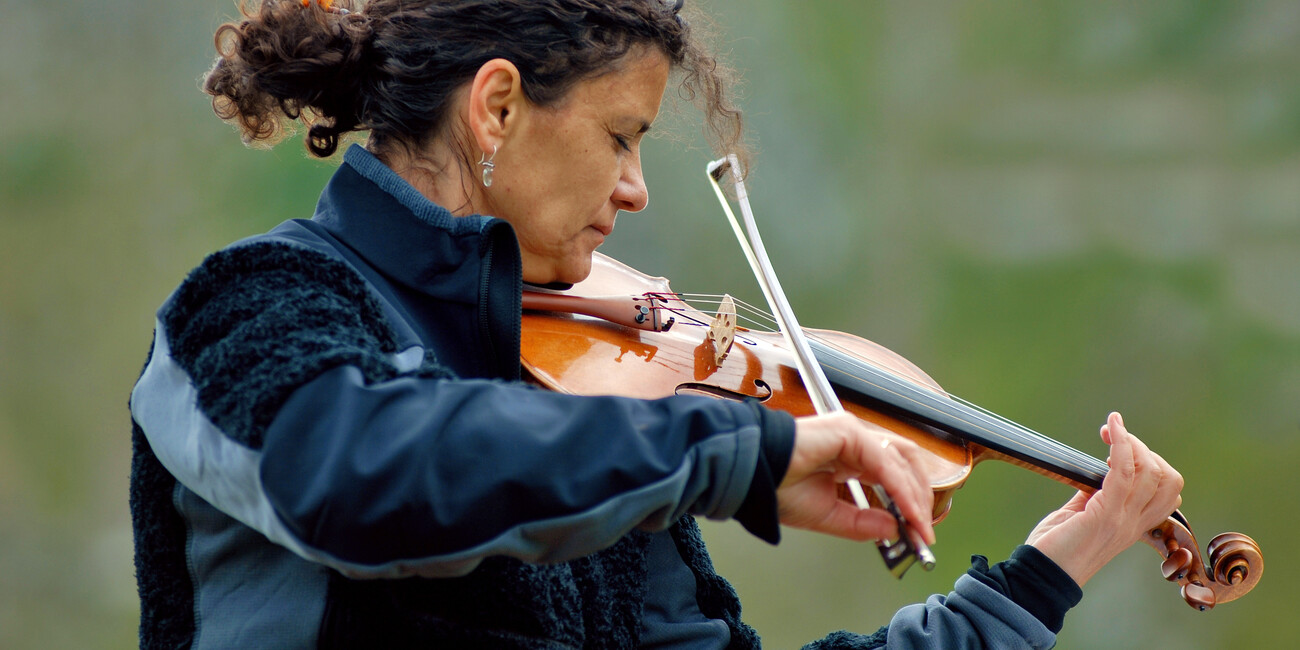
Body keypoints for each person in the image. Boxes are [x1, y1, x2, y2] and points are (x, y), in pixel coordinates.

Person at [128, 1, 1185, 648]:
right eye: (621, 135)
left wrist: (1034, 586)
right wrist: (728, 447)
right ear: (495, 108)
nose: (635, 190)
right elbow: (350, 474)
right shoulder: (256, 304)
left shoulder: (609, 415)